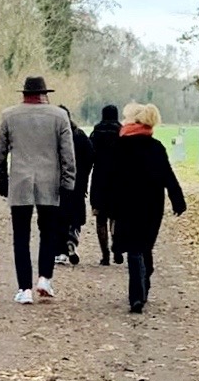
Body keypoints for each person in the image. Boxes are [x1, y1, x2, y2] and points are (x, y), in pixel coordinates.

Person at [0, 75, 75, 303]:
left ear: (24, 94)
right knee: (48, 232)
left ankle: (24, 289)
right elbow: (68, 155)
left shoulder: (9, 116)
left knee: (21, 237)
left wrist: (2, 179)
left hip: (20, 182)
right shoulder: (59, 116)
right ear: (44, 94)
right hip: (50, 182)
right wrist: (68, 185)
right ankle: (44, 278)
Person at [111, 101, 187, 314]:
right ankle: (142, 287)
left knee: (134, 249)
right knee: (144, 245)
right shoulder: (156, 147)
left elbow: (111, 178)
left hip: (127, 204)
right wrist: (177, 199)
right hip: (152, 205)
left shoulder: (120, 146)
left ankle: (137, 294)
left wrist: (107, 204)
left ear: (133, 121)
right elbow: (168, 176)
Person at [88, 104, 123, 265]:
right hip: (118, 179)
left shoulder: (96, 132)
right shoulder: (122, 132)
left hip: (100, 178)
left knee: (100, 218)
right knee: (116, 216)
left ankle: (105, 255)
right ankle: (117, 248)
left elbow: (89, 155)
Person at [59, 105, 93, 265]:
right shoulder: (79, 135)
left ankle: (61, 251)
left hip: (59, 183)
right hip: (78, 182)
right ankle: (72, 238)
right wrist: (84, 175)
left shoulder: (55, 137)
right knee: (75, 215)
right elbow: (90, 156)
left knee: (59, 216)